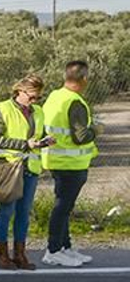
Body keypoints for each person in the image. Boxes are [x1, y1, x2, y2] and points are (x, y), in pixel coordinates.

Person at [0, 73, 48, 271]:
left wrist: (45, 139)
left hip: (30, 168)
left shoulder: (38, 112)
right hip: (10, 168)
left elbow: (38, 134)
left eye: (38, 97)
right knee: (6, 211)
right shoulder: (1, 109)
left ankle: (20, 254)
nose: (35, 100)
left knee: (24, 213)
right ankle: (2, 255)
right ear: (19, 91)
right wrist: (23, 144)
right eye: (32, 96)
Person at [40, 60, 99, 266]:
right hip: (71, 163)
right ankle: (53, 249)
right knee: (63, 207)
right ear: (83, 79)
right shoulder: (75, 101)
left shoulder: (55, 96)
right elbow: (80, 136)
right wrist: (95, 130)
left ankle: (65, 247)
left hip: (55, 159)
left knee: (63, 205)